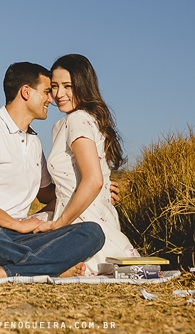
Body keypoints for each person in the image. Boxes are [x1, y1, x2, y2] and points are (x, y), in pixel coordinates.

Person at [0, 62, 105, 283]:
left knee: (92, 233)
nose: (52, 99)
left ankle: (4, 271)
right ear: (26, 92)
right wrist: (16, 224)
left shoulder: (34, 142)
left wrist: (100, 189)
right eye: (47, 91)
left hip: (16, 238)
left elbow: (50, 195)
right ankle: (49, 267)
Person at [34, 54, 138, 274]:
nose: (59, 94)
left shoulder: (77, 120)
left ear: (83, 85)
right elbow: (80, 181)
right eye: (54, 86)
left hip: (81, 217)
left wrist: (59, 223)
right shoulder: (64, 124)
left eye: (67, 86)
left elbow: (93, 180)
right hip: (74, 210)